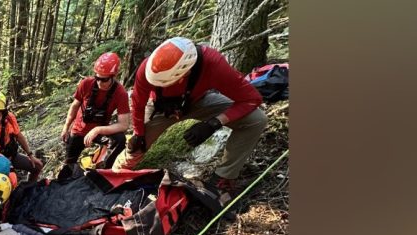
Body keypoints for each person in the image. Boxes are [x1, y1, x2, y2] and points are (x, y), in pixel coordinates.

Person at [116, 37, 267, 198]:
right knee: (136, 146)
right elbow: (138, 103)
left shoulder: (213, 64)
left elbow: (252, 99)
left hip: (197, 101)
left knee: (256, 120)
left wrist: (214, 123)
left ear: (185, 72)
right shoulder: (148, 67)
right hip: (159, 107)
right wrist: (139, 134)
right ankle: (115, 174)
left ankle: (222, 179)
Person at [58, 52, 131, 180]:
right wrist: (66, 127)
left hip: (100, 132)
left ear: (114, 76)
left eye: (104, 79)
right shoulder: (86, 84)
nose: (99, 82)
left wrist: (98, 130)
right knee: (67, 167)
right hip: (79, 131)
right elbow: (75, 106)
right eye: (97, 78)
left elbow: (124, 125)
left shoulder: (120, 93)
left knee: (119, 140)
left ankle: (103, 172)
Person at [0, 91, 43, 180]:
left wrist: (30, 155)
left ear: (4, 112)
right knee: (7, 183)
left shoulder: (9, 119)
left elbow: (19, 136)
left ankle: (30, 187)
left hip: (10, 156)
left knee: (37, 166)